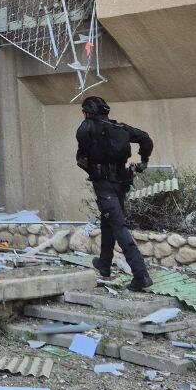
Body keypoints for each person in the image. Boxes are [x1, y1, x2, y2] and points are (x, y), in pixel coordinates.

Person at [75, 95, 154, 291]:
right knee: (108, 219)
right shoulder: (120, 128)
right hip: (121, 181)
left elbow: (82, 158)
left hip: (104, 184)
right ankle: (104, 263)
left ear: (87, 112)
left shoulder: (86, 128)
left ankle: (140, 275)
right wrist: (144, 161)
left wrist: (93, 169)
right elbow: (146, 139)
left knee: (118, 225)